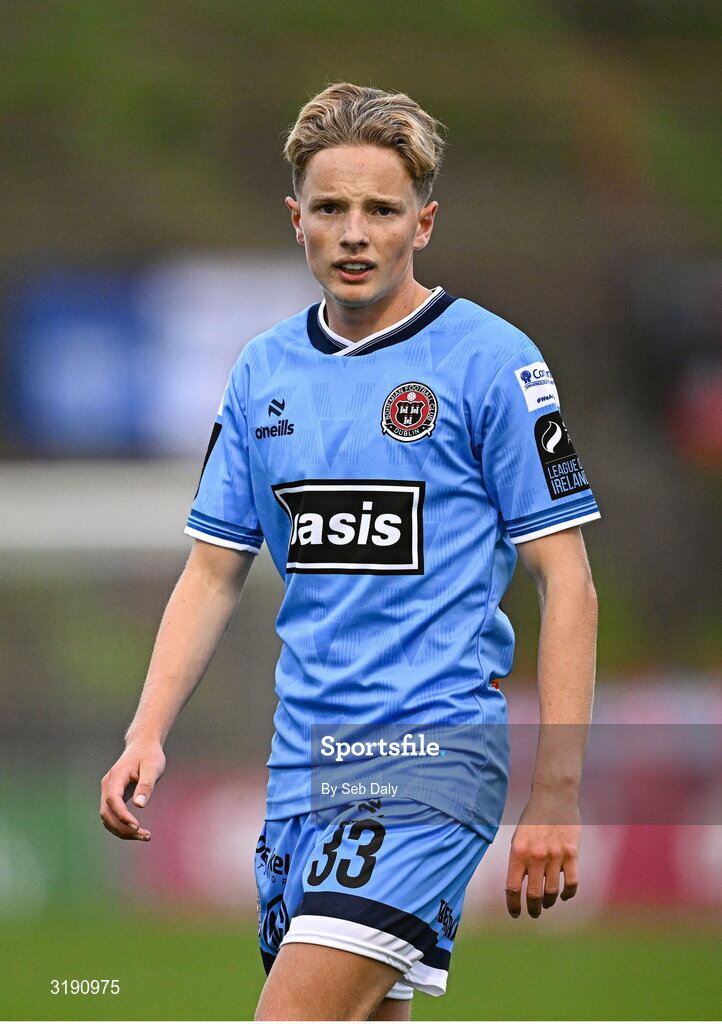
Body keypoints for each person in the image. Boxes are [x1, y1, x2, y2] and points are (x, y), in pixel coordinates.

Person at [100, 83, 599, 1021]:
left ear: (424, 223)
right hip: (303, 769)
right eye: (331, 208)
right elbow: (212, 571)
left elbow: (566, 579)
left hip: (428, 757)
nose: (355, 233)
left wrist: (558, 792)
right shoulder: (262, 370)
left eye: (382, 210)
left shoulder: (491, 361)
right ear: (297, 220)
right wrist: (146, 731)